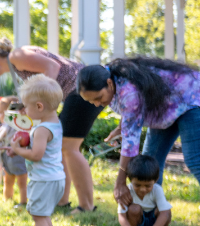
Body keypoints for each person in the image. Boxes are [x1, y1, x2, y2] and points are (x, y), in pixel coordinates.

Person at [0, 38, 98, 213]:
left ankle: (86, 206)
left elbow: (53, 68)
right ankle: (61, 201)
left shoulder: (16, 56)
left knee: (69, 147)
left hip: (81, 89)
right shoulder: (17, 63)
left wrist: (40, 102)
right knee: (64, 146)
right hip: (77, 89)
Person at [77, 57, 200, 207]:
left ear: (109, 84)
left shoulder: (128, 93)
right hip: (165, 108)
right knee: (150, 162)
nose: (97, 104)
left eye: (98, 98)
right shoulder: (107, 74)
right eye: (91, 101)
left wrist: (120, 182)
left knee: (195, 160)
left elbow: (130, 144)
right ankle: (149, 215)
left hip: (191, 98)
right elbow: (129, 109)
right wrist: (120, 128)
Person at [5, 75, 67, 226]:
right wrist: (18, 150)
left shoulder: (41, 130)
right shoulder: (55, 124)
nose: (23, 111)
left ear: (39, 107)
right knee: (42, 212)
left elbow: (37, 155)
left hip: (44, 179)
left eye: (26, 106)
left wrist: (18, 149)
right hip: (54, 177)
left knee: (38, 215)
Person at [117, 155, 172, 226]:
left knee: (167, 211)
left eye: (148, 186)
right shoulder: (127, 191)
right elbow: (121, 216)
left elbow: (164, 214)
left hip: (153, 223)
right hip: (136, 222)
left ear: (156, 180)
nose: (142, 189)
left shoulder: (157, 190)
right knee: (134, 209)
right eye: (137, 185)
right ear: (130, 179)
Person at [0, 97, 28, 209]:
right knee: (8, 180)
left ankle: (23, 201)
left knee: (21, 181)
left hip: (18, 155)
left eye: (0, 112)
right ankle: (7, 200)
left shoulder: (15, 124)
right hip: (6, 156)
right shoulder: (5, 126)